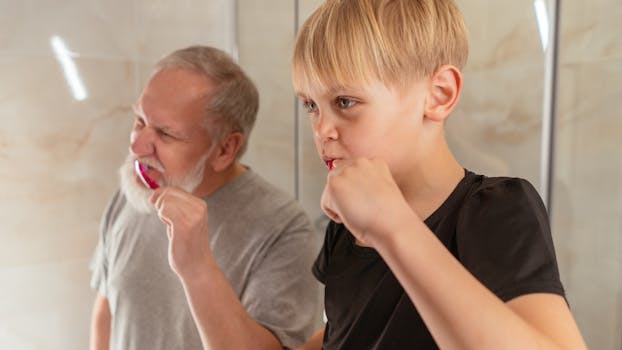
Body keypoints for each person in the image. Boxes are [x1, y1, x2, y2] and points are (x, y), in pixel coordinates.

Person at [291, 1, 588, 349]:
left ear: (439, 94)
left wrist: (390, 226)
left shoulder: (495, 211)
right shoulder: (345, 228)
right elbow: (347, 330)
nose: (322, 129)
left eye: (345, 102)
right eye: (310, 105)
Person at [89, 46, 322, 350]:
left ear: (225, 149)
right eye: (140, 121)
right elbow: (107, 312)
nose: (138, 144)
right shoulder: (133, 193)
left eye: (166, 134)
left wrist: (196, 266)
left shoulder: (284, 228)